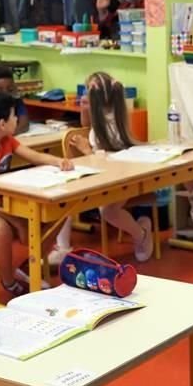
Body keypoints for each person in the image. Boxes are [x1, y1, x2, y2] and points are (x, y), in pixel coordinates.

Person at [0, 92, 73, 297]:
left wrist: (58, 161)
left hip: (3, 200)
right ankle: (9, 281)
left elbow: (34, 156)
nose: (17, 119)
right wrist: (18, 223)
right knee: (2, 230)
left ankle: (28, 266)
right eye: (13, 116)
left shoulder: (7, 140)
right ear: (1, 124)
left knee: (56, 214)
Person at [65, 71, 155, 263]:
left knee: (108, 211)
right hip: (103, 176)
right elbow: (87, 125)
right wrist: (84, 109)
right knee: (65, 201)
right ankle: (62, 248)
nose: (84, 97)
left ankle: (141, 234)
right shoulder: (107, 117)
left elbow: (104, 163)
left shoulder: (110, 127)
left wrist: (85, 149)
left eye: (87, 95)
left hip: (117, 176)